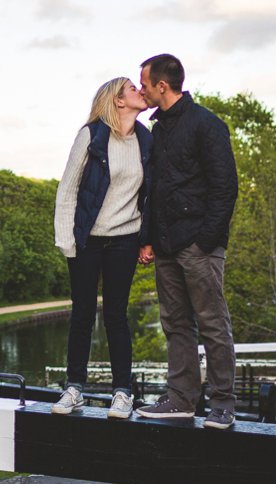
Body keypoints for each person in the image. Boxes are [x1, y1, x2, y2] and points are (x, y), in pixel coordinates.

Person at [134, 53, 240, 429]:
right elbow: (154, 190)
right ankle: (181, 399)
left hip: (199, 246)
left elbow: (225, 189)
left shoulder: (207, 125)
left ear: (162, 85)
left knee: (213, 323)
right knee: (175, 324)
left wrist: (206, 241)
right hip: (164, 246)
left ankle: (224, 404)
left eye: (144, 83)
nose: (141, 89)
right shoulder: (158, 129)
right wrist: (147, 239)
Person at [51, 76, 154, 419]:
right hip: (87, 240)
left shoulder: (144, 139)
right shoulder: (91, 136)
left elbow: (150, 197)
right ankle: (74, 388)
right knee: (81, 314)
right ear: (118, 101)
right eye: (132, 88)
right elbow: (67, 190)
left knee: (116, 316)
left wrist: (146, 238)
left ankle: (123, 393)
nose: (140, 91)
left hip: (124, 239)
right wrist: (67, 243)